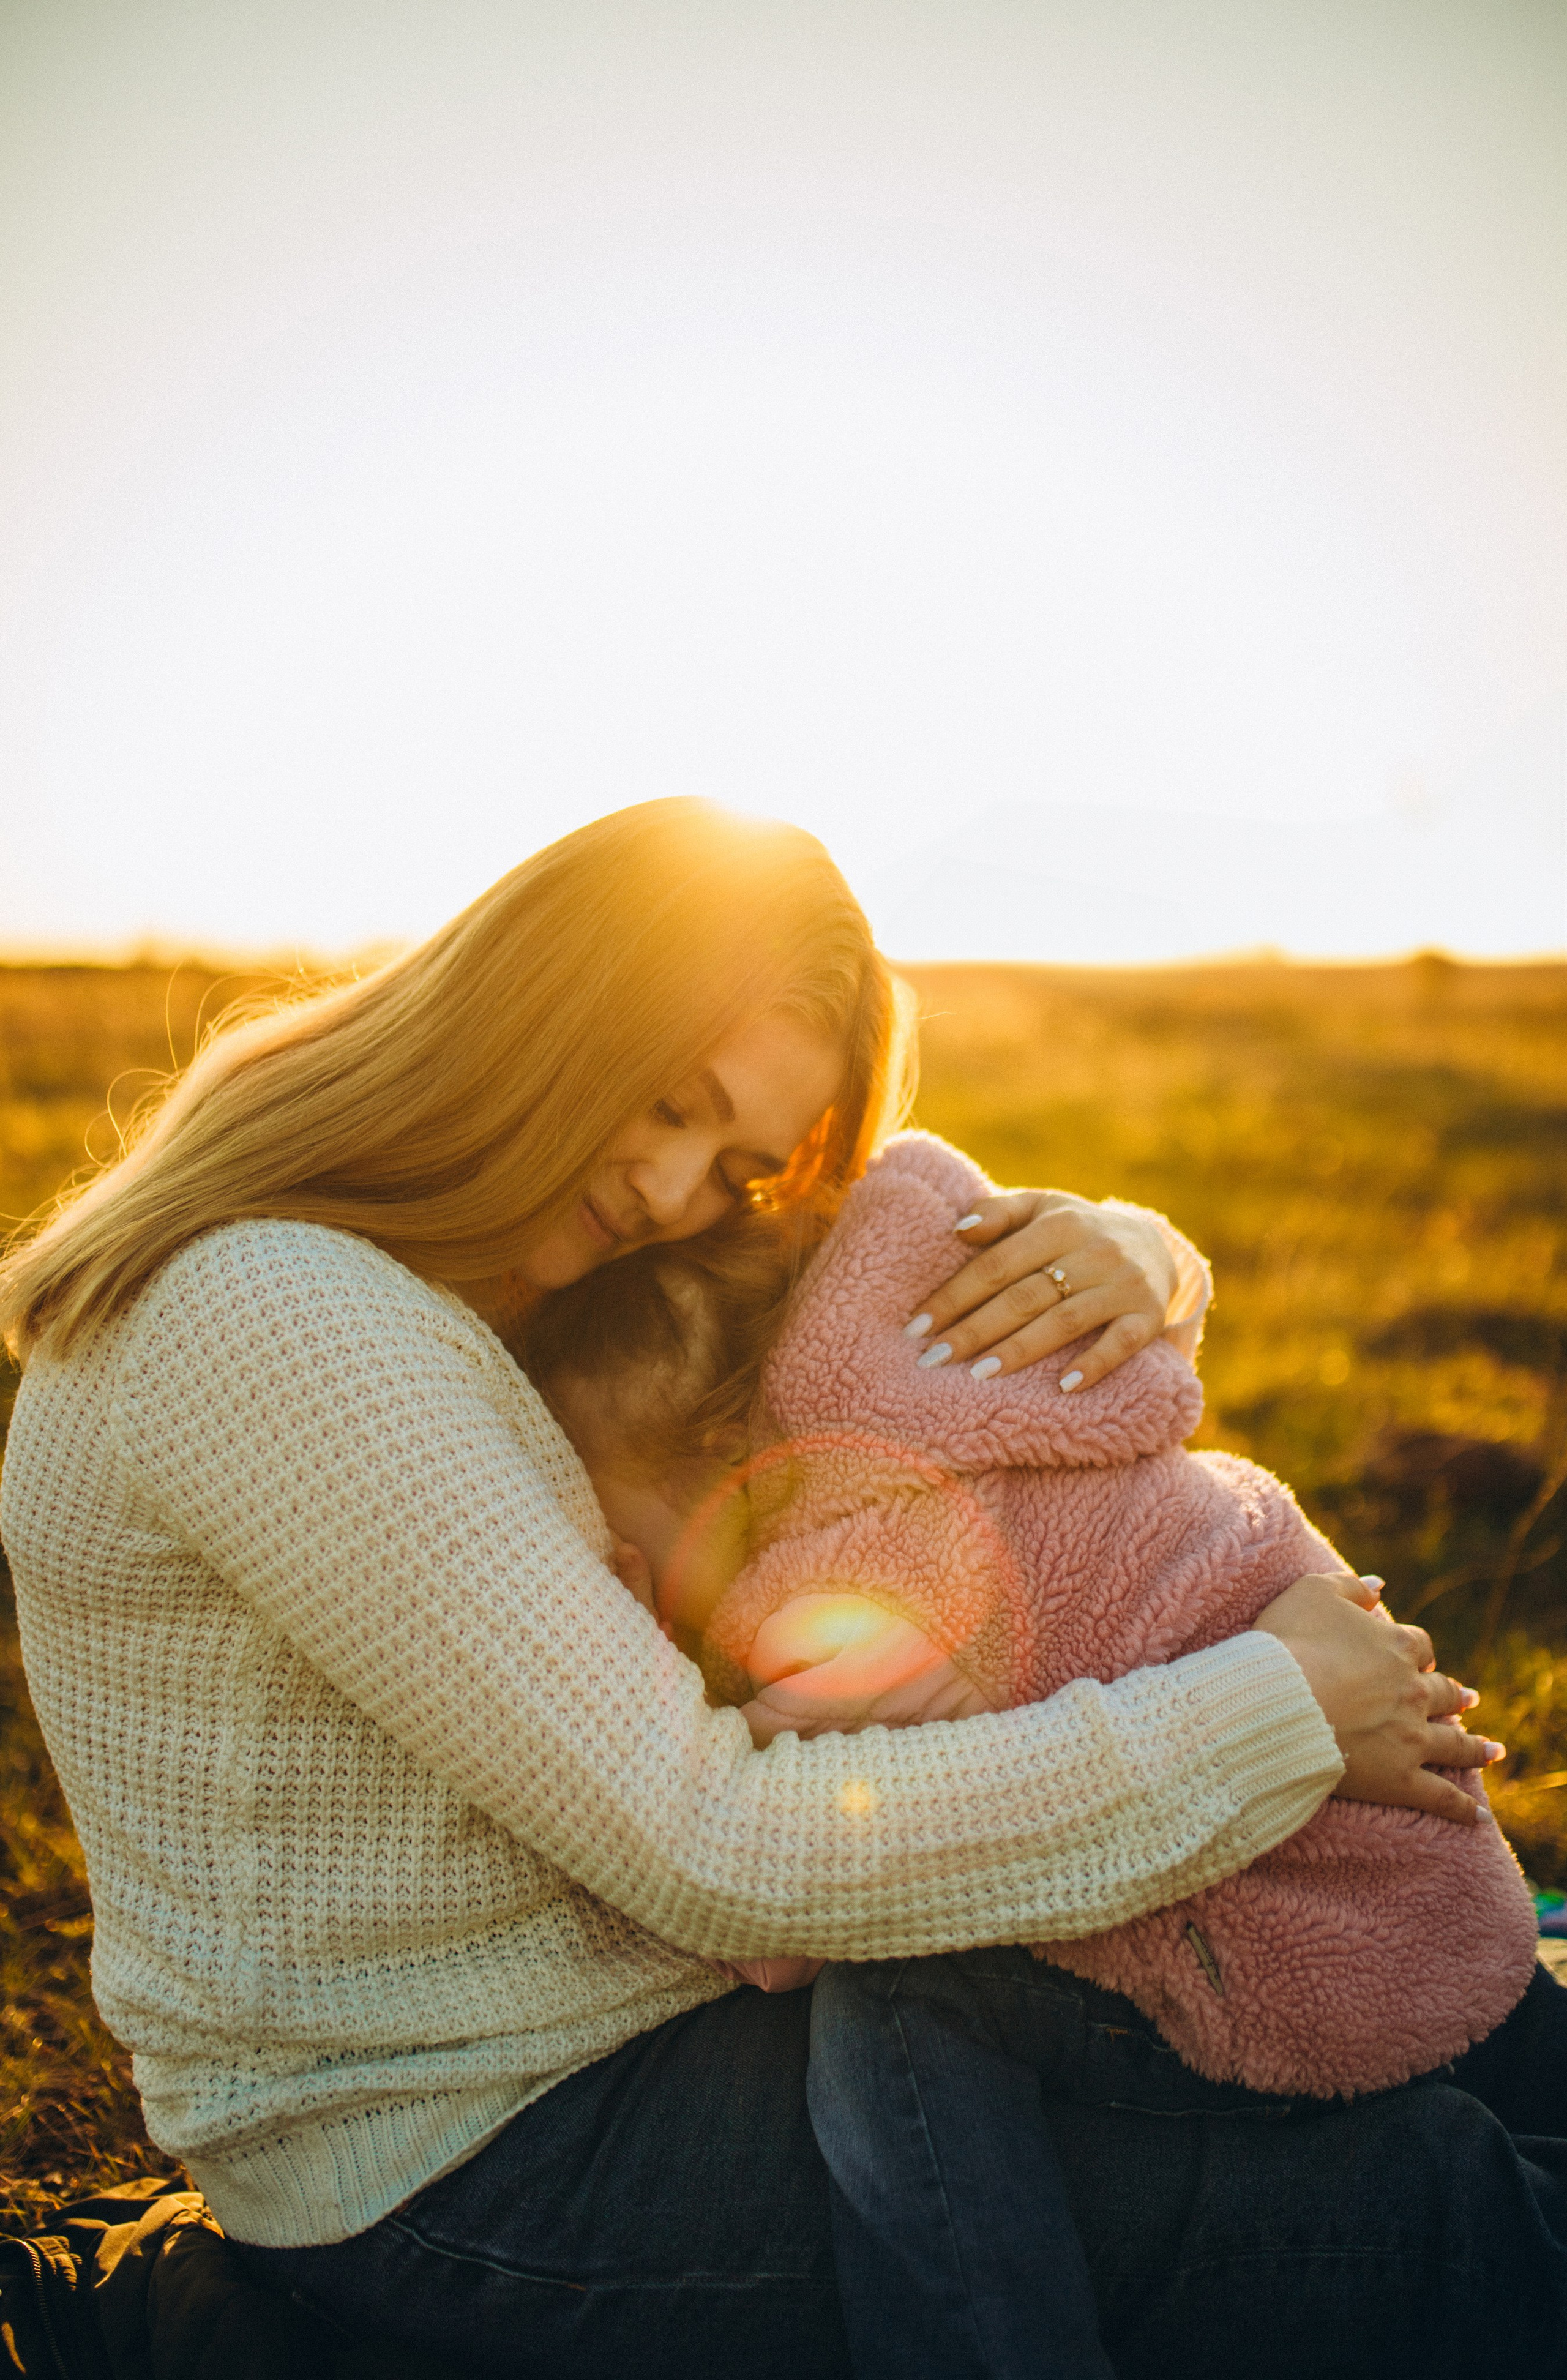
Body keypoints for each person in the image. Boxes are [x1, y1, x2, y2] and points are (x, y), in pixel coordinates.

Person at [0, 800, 1536, 2380]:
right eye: (668, 1102)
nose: (674, 1192)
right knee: (1403, 2204)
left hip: (618, 2042)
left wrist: (1135, 1255)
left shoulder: (465, 1258)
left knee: (1410, 2088)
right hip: (474, 2164)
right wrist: (1277, 1714)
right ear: (541, 1010)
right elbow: (717, 1849)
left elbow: (836, 1306)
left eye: (732, 1161)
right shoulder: (276, 1324)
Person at [521, 1130, 1546, 2376]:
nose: (609, 1561)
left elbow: (776, 1920)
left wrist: (660, 1667)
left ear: (721, 1467)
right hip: (1413, 1871)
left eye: (606, 1517)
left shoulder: (846, 1594)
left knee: (895, 1992)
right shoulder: (984, 1409)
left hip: (1287, 1927)